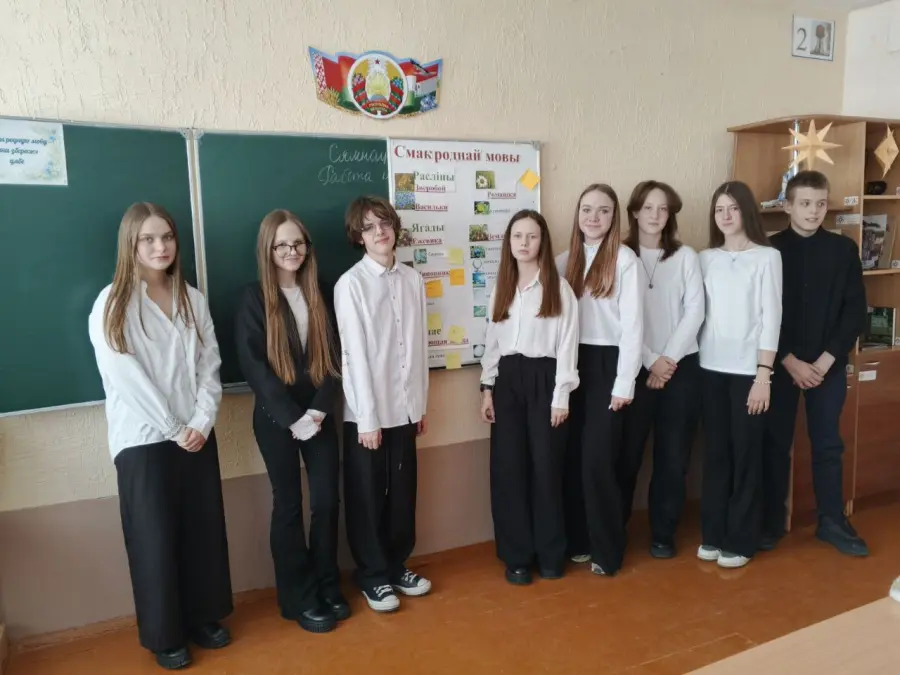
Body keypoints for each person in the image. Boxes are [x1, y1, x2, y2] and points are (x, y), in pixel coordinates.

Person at [87, 203, 232, 671]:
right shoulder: (112, 302)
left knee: (201, 529)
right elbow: (125, 377)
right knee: (154, 537)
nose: (159, 246)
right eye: (147, 239)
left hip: (195, 433)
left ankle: (204, 616)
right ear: (130, 244)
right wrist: (172, 427)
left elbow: (210, 364)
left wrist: (201, 422)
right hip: (145, 438)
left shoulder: (192, 298)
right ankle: (166, 635)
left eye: (166, 237)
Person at [234, 209, 347, 634]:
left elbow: (338, 356)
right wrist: (291, 417)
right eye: (281, 244)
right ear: (268, 249)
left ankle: (327, 585)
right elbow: (254, 366)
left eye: (297, 243)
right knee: (289, 504)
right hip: (275, 416)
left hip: (318, 413)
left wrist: (318, 410)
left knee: (326, 501)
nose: (291, 251)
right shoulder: (253, 298)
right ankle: (299, 597)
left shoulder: (322, 293)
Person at [762, 170, 869, 556]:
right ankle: (769, 521)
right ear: (787, 206)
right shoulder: (769, 250)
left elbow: (854, 312)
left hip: (828, 366)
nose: (813, 211)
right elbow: (761, 313)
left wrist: (825, 362)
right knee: (774, 443)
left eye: (820, 204)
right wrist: (789, 359)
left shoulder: (843, 250)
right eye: (805, 203)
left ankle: (831, 521)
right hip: (780, 365)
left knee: (827, 444)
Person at [334, 195, 431, 613]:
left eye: (385, 223)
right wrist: (366, 419)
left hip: (406, 408)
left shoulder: (413, 280)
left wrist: (419, 405)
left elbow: (420, 346)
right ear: (358, 236)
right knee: (368, 495)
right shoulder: (350, 284)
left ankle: (396, 565)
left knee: (403, 494)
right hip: (368, 414)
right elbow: (353, 357)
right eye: (369, 227)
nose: (380, 232)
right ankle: (372, 574)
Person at [479, 210, 580, 585]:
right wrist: (487, 388)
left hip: (546, 379)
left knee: (546, 468)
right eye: (517, 236)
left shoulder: (558, 288)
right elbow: (492, 342)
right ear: (509, 242)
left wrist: (561, 395)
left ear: (542, 242)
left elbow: (568, 344)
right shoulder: (502, 287)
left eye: (532, 236)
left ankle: (551, 553)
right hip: (508, 381)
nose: (524, 243)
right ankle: (517, 556)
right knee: (509, 469)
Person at [556, 183, 643, 577]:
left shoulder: (625, 260)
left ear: (614, 217)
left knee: (598, 460)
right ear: (577, 214)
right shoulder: (564, 261)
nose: (594, 217)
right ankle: (579, 540)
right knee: (573, 457)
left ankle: (607, 550)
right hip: (572, 363)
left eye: (603, 210)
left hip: (609, 364)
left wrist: (624, 383)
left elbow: (634, 328)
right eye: (587, 209)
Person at [697, 181, 782, 569]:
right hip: (709, 369)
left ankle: (741, 540)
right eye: (719, 209)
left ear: (746, 211)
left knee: (746, 454)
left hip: (750, 372)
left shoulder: (767, 257)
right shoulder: (705, 258)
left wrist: (764, 375)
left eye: (732, 208)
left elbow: (771, 319)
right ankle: (713, 534)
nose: (726, 215)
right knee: (716, 455)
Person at [618, 181, 705, 560]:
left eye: (663, 209)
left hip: (681, 368)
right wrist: (649, 359)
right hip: (634, 367)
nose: (655, 215)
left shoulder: (685, 256)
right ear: (635, 212)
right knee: (627, 455)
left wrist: (666, 361)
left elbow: (695, 312)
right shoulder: (619, 256)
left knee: (673, 457)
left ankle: (663, 533)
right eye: (648, 208)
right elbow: (615, 317)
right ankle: (615, 529)